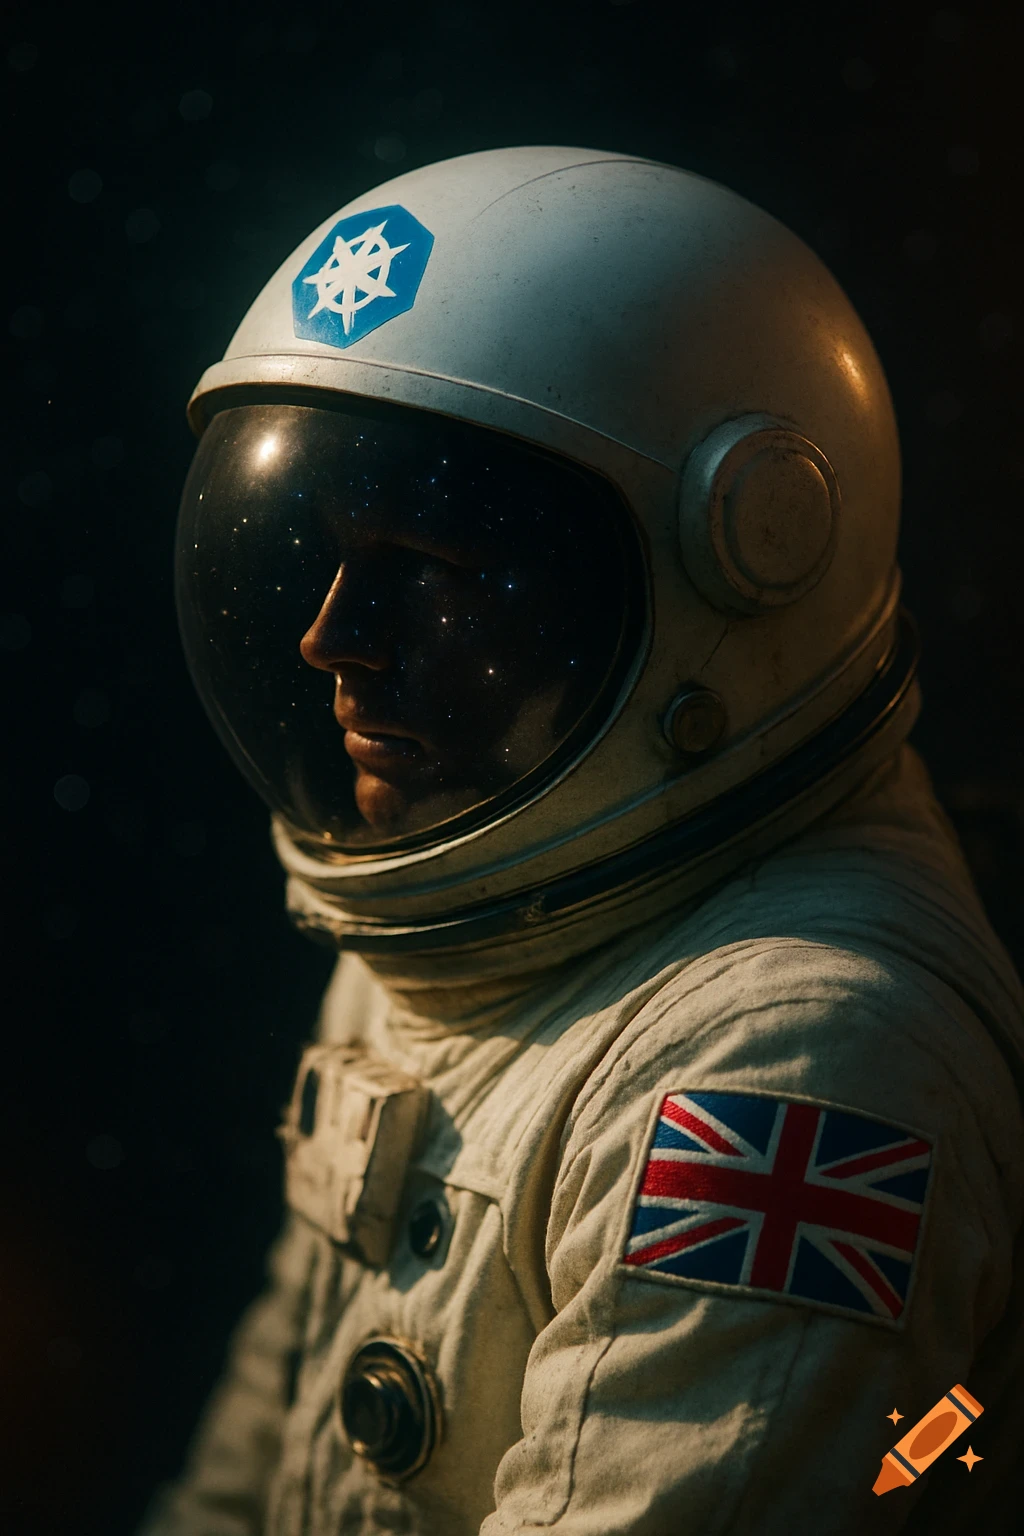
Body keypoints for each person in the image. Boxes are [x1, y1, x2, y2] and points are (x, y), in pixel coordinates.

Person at [142, 147, 1024, 1534]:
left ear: (741, 557)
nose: (331, 639)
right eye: (323, 550)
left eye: (426, 570)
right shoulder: (471, 918)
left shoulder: (798, 1061)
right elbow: (262, 1457)